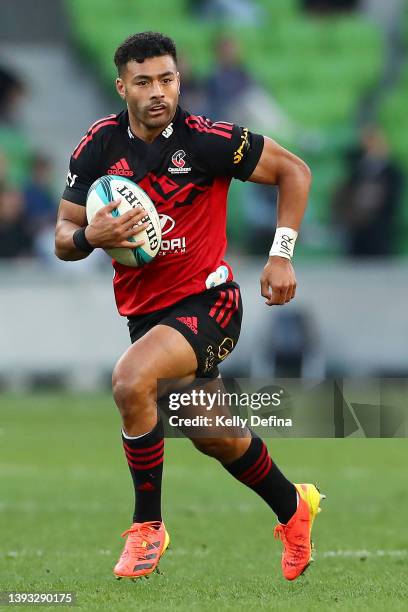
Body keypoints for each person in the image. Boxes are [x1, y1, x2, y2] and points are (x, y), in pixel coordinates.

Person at [55, 32, 323, 582]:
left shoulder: (206, 140)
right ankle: (294, 507)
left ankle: (147, 529)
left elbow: (295, 171)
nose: (159, 92)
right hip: (147, 317)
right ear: (121, 86)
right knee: (214, 434)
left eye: (168, 79)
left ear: (179, 79)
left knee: (131, 382)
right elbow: (63, 234)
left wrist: (281, 257)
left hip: (210, 302)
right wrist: (91, 236)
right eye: (145, 82)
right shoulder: (100, 143)